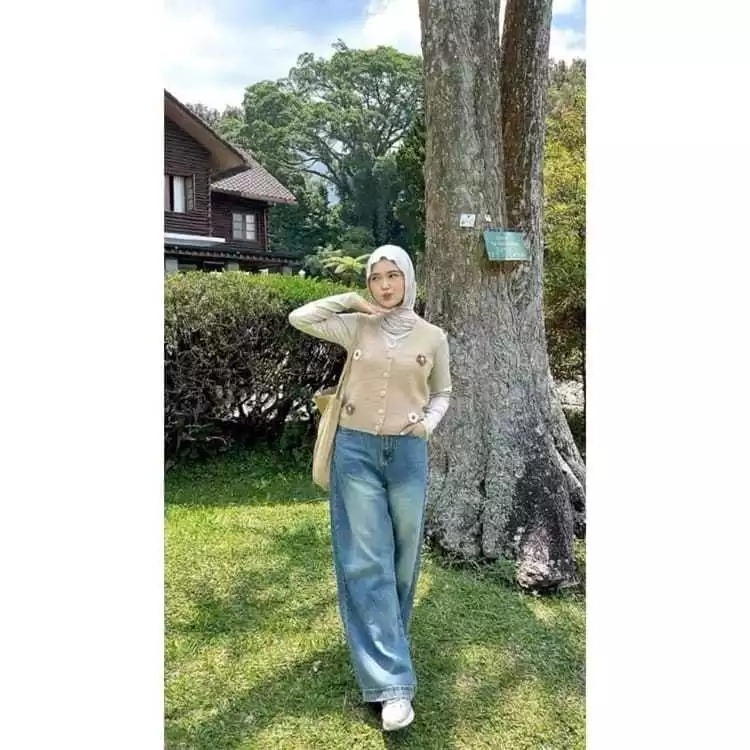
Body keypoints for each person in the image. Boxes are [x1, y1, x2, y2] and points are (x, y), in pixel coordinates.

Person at [288, 244, 452, 732]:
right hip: (355, 451)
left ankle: (388, 639)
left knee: (402, 555)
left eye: (392, 276)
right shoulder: (357, 326)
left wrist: (428, 425)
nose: (384, 285)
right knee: (367, 558)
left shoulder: (433, 336)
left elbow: (443, 391)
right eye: (375, 277)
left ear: (408, 279)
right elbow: (301, 317)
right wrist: (350, 301)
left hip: (407, 455)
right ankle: (392, 685)